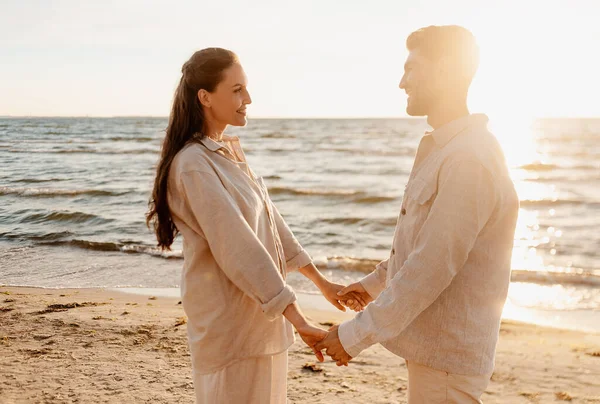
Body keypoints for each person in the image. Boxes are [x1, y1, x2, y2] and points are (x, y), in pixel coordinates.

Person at [146, 47, 362, 404]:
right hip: (231, 329)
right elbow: (239, 247)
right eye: (236, 90)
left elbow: (273, 226)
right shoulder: (194, 164)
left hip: (260, 324)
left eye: (245, 88)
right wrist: (298, 318)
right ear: (205, 97)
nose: (248, 98)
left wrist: (322, 283)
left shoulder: (225, 152)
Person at [317, 25, 520, 403]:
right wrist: (375, 283)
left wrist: (353, 336)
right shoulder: (446, 147)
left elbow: (432, 266)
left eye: (412, 69)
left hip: (448, 357)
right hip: (435, 352)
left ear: (444, 70)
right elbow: (425, 245)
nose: (401, 82)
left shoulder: (468, 157)